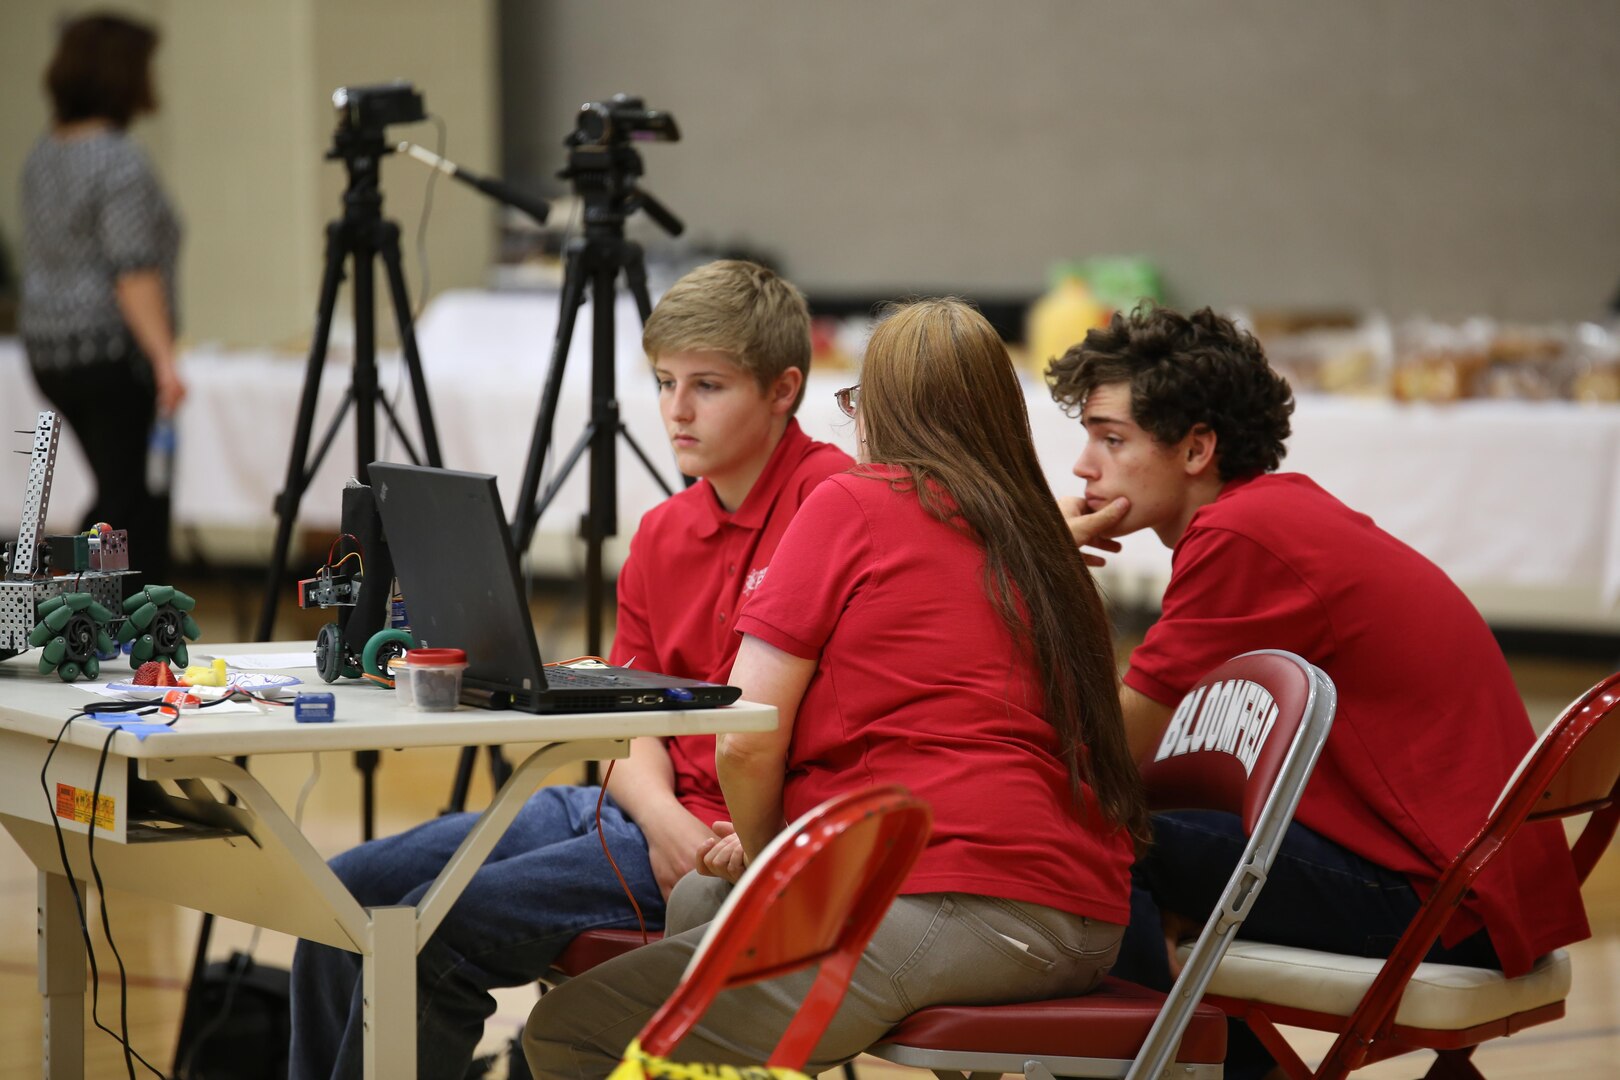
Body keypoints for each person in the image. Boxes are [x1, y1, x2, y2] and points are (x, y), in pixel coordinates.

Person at [523, 298, 1145, 1079]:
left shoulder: (853, 502)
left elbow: (746, 737)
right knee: (699, 906)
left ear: (873, 408)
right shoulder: (1043, 540)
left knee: (571, 1028)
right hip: (1082, 916)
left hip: (961, 902)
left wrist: (762, 854)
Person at [288, 260, 852, 1080]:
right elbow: (626, 725)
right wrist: (662, 820)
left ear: (783, 390)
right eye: (664, 382)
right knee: (339, 894)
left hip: (736, 835)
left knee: (423, 933)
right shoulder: (663, 533)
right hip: (644, 816)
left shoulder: (837, 501)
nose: (677, 411)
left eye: (709, 385)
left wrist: (683, 831)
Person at [1049, 304, 1590, 1080]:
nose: (1082, 467)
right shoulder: (1277, 515)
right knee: (1152, 829)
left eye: (1111, 438)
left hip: (1444, 906)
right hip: (1483, 893)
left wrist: (1043, 570)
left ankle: (1160, 1069)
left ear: (1198, 446)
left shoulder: (1239, 538)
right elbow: (1156, 760)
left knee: (1104, 840)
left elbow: (1104, 756)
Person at [20, 12, 186, 582]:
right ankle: (57, 596)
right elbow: (133, 270)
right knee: (126, 501)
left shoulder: (44, 154)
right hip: (109, 350)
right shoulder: (119, 160)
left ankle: (109, 610)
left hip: (47, 350)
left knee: (125, 494)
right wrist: (165, 359)